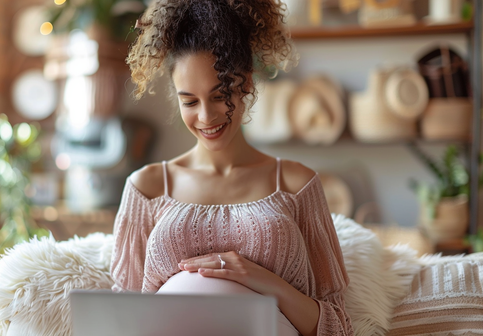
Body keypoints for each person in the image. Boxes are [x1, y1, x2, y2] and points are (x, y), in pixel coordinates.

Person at [110, 0, 353, 335]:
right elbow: (120, 319)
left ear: (248, 82)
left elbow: (338, 325)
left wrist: (260, 280)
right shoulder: (147, 187)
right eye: (190, 101)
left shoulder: (297, 184)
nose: (207, 117)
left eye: (221, 94)